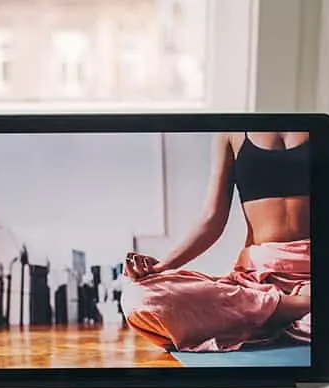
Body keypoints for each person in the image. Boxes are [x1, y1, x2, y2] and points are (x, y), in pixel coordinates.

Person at [120, 131, 312, 352]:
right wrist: (162, 268)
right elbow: (212, 220)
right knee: (140, 297)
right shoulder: (231, 134)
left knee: (324, 325)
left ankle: (267, 317)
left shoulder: (318, 131)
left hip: (309, 280)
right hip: (253, 282)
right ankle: (290, 310)